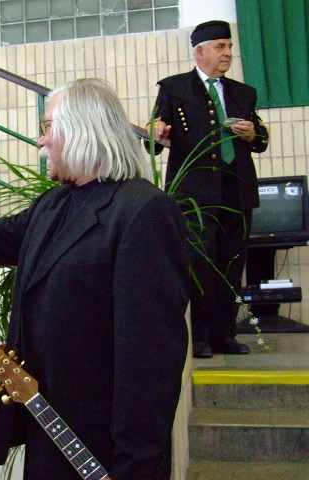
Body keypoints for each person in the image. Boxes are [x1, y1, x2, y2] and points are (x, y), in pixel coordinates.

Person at [0, 78, 190, 480]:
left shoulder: (143, 211)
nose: (40, 141)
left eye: (47, 127)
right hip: (48, 428)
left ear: (81, 129)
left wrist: (136, 465)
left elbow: (149, 361)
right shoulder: (54, 205)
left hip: (104, 446)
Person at [146, 20, 269, 358]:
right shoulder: (174, 88)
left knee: (232, 265)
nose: (227, 53)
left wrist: (251, 134)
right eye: (220, 47)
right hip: (194, 197)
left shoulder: (244, 93)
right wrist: (155, 131)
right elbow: (154, 139)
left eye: (229, 47)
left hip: (237, 193)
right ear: (200, 52)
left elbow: (260, 140)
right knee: (198, 265)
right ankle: (198, 336)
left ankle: (224, 335)